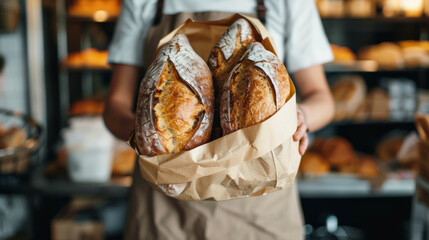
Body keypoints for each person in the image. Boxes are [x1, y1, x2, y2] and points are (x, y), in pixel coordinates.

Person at [103, 0, 335, 239]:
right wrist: (146, 130)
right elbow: (114, 107)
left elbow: (322, 99)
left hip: (260, 214)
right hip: (163, 215)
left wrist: (299, 117)